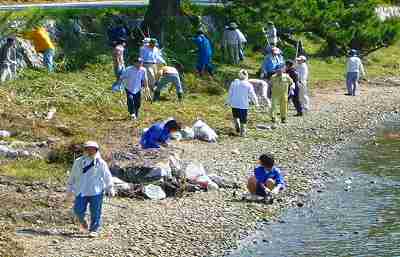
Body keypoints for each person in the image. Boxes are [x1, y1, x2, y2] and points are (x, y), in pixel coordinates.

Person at [66, 141, 115, 237]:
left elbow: (107, 175)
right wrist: (70, 188)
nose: (90, 151)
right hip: (81, 190)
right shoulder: (78, 161)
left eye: (92, 149)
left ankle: (94, 230)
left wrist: (110, 187)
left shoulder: (100, 163)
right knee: (77, 210)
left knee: (96, 211)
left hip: (96, 191)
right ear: (85, 150)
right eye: (88, 148)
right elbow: (73, 175)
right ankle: (82, 221)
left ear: (96, 150)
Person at [227, 69, 259, 137]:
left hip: (234, 104)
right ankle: (242, 132)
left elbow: (230, 93)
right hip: (243, 105)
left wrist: (228, 102)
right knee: (243, 119)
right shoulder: (248, 85)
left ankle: (237, 126)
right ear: (246, 76)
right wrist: (256, 103)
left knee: (235, 117)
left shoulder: (233, 83)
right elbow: (252, 95)